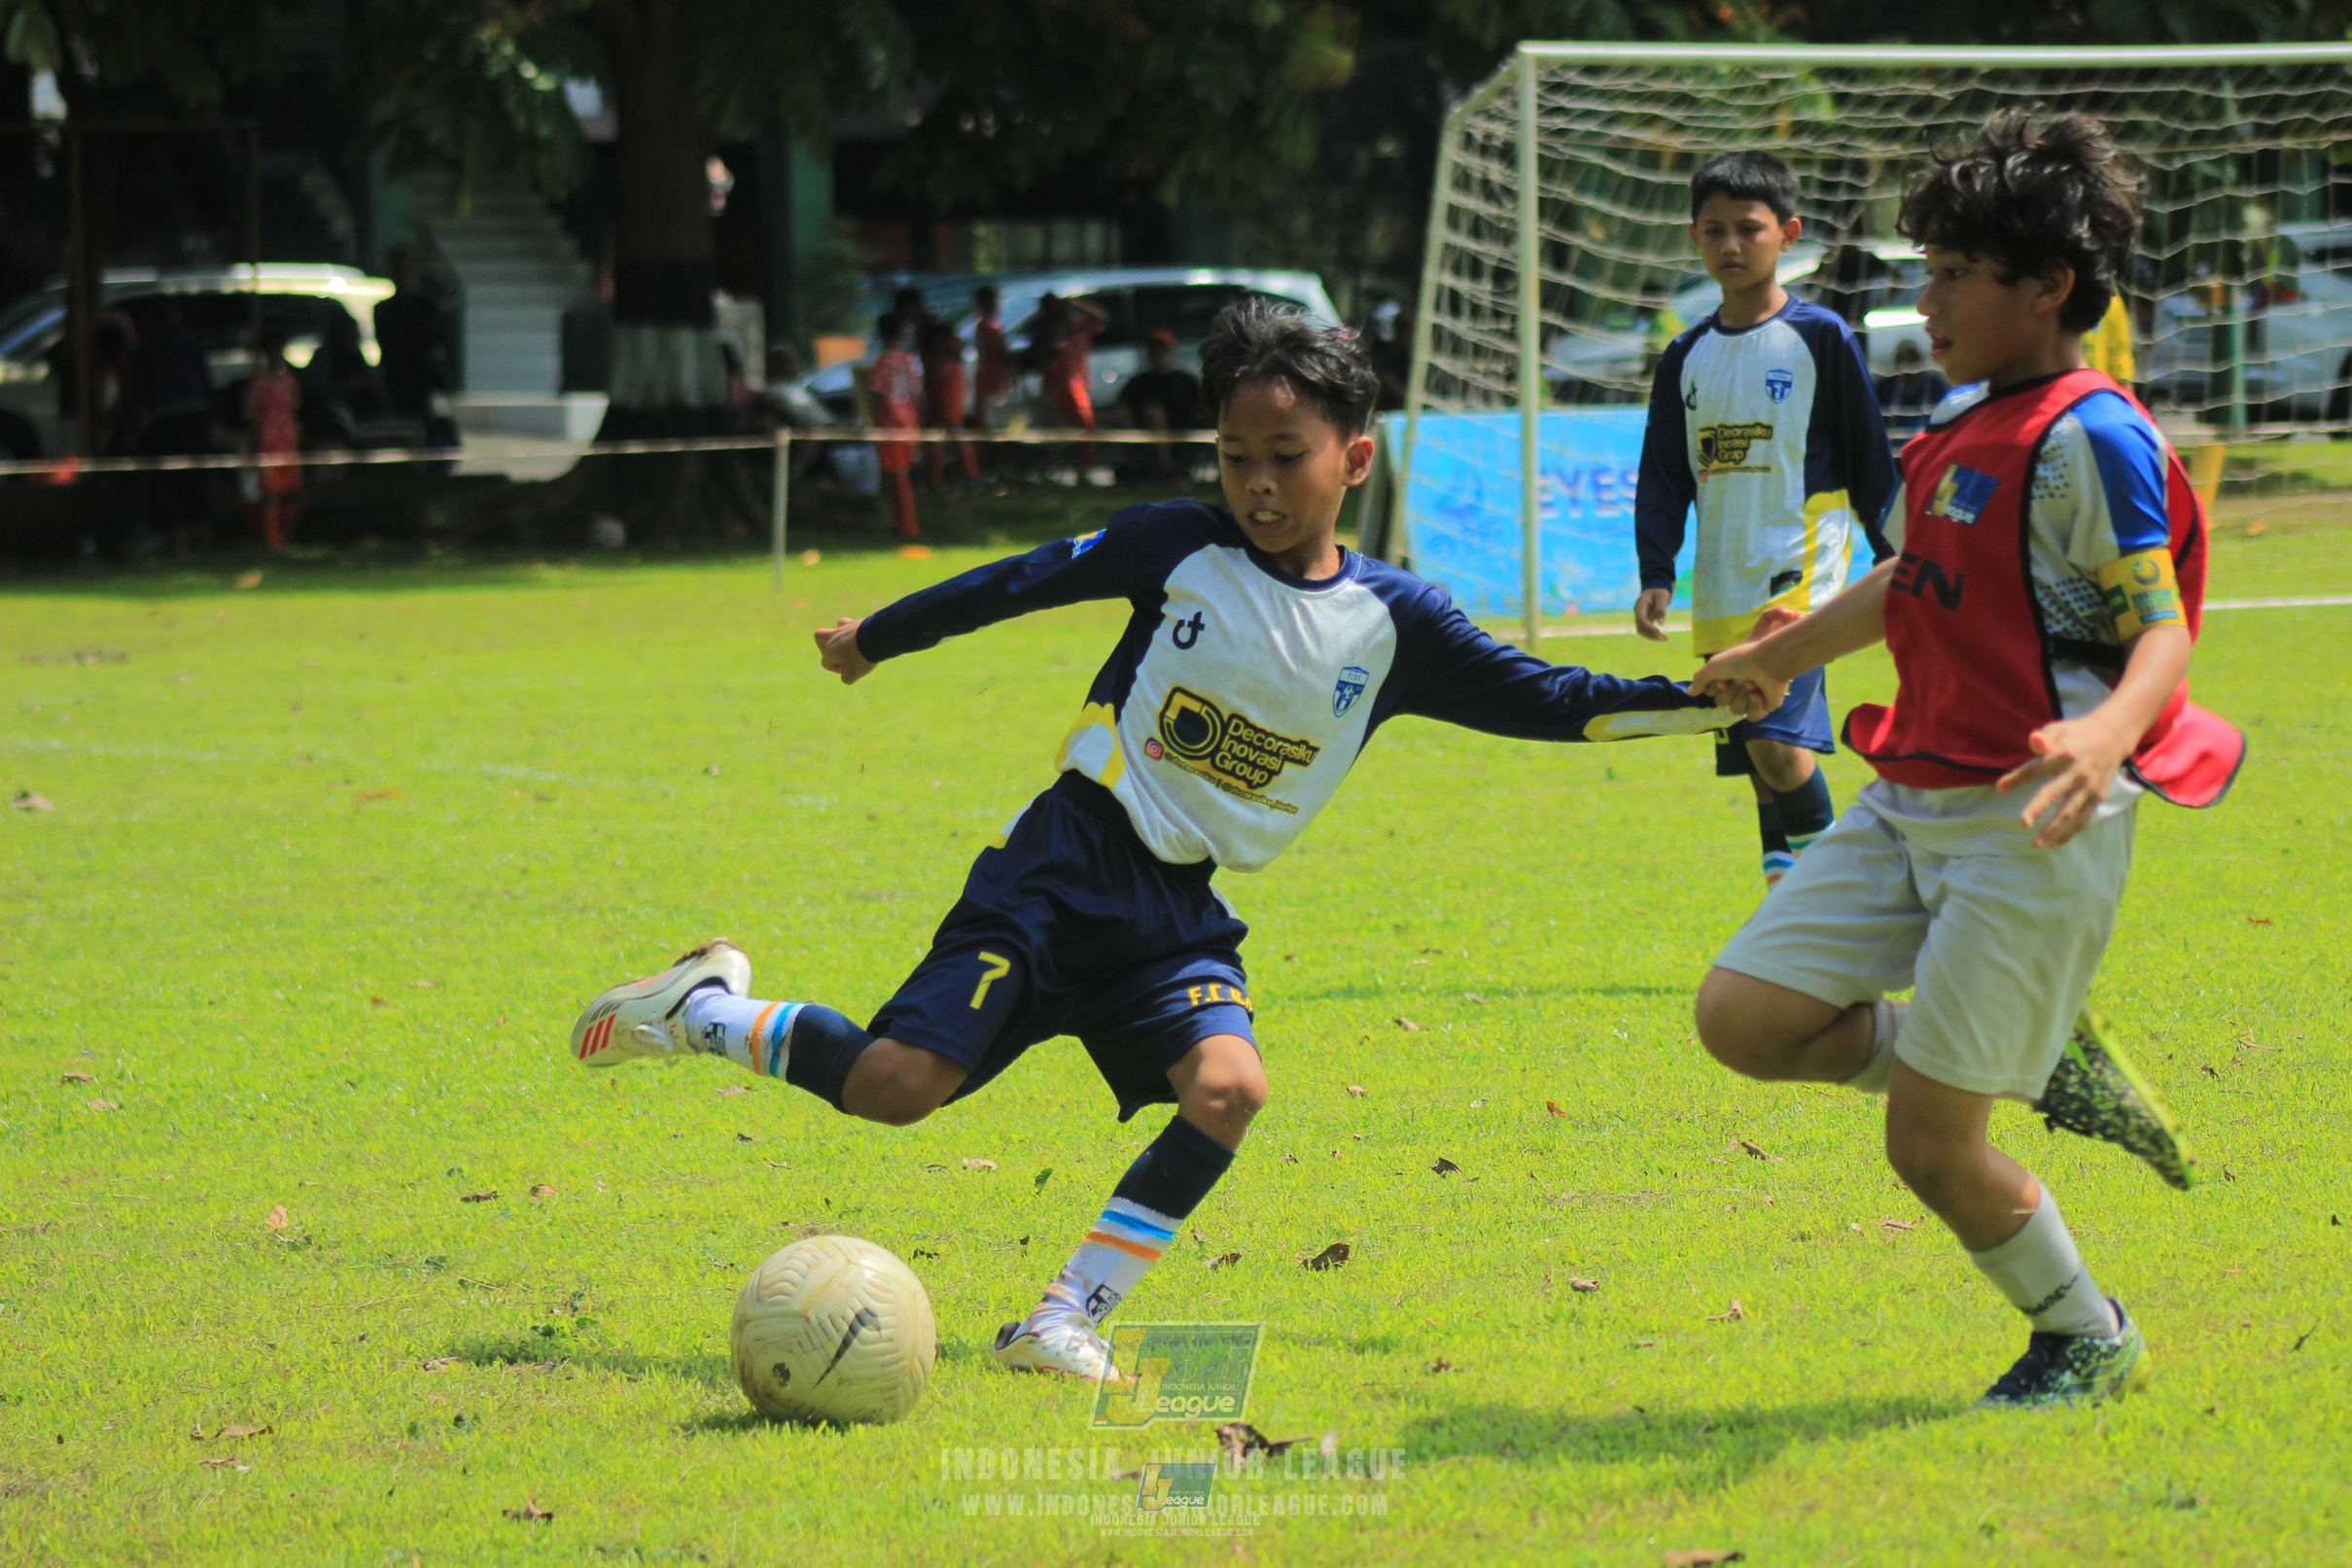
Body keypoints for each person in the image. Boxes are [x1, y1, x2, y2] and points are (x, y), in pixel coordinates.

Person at [569, 300, 1758, 1382]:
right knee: (893, 1088)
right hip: (1061, 867)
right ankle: (704, 1009)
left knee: (1230, 1088)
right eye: (1235, 458)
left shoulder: (1397, 625)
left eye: (1284, 458)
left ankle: (1062, 1315)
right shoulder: (1173, 546)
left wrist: (1708, 697)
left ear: (1355, 456)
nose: (1256, 484)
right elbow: (1021, 581)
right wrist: (878, 633)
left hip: (1177, 911)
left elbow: (1552, 697)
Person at [1689, 113, 2245, 1410]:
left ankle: (2084, 1334)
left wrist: (2106, 730)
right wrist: (1783, 654)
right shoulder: (1959, 424)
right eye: (1923, 266)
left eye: (1951, 273)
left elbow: (2157, 637)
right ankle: (2022, 1054)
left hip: (2028, 822)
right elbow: (1904, 577)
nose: (1921, 297)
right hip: (1907, 797)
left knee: (1929, 1146)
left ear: (2044, 286)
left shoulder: (2089, 437)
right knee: (1744, 1018)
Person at [1633, 152, 1898, 890]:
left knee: (1775, 740)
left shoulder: (1819, 338)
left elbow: (1868, 456)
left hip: (1800, 568)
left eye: (1748, 229)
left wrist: (1904, 557)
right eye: (1713, 230)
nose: (1730, 245)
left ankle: (1842, 900)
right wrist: (1656, 568)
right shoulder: (1683, 355)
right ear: (1693, 239)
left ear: (1787, 233)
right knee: (1754, 747)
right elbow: (1662, 472)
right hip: (1722, 576)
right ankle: (1789, 905)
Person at [1115, 328, 1207, 488]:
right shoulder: (1137, 383)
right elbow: (1122, 410)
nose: (1159, 355)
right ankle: (1169, 474)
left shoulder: (1186, 381)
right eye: (1155, 350)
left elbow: (1203, 408)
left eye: (1163, 350)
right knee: (1155, 415)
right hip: (1150, 434)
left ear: (1172, 352)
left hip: (1186, 431)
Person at [241, 327, 303, 552]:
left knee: (293, 493)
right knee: (272, 494)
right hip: (268, 446)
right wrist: (251, 447)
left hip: (289, 444)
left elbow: (295, 411)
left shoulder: (290, 381)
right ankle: (273, 541)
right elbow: (252, 418)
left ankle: (284, 536)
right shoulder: (258, 386)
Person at [866, 310, 923, 540]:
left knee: (897, 476)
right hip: (910, 422)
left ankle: (907, 526)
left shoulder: (884, 361)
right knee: (901, 474)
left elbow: (878, 394)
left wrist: (872, 420)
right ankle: (900, 523)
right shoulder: (911, 360)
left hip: (891, 422)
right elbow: (918, 394)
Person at [1039, 292, 1110, 472]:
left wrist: (1078, 303)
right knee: (1053, 428)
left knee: (1088, 428)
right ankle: (1050, 469)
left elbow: (1103, 317)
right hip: (1055, 386)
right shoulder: (1049, 328)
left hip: (1075, 384)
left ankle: (1082, 469)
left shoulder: (1081, 324)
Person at [918, 309, 982, 494]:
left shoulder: (943, 364)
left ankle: (969, 477)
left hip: (944, 390)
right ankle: (940, 481)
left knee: (953, 433)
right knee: (940, 435)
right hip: (940, 390)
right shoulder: (946, 365)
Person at [1874, 337, 1949, 438]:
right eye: (1902, 357)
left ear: (1920, 359)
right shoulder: (1883, 389)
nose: (1907, 361)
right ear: (1896, 361)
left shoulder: (1935, 387)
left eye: (1912, 356)